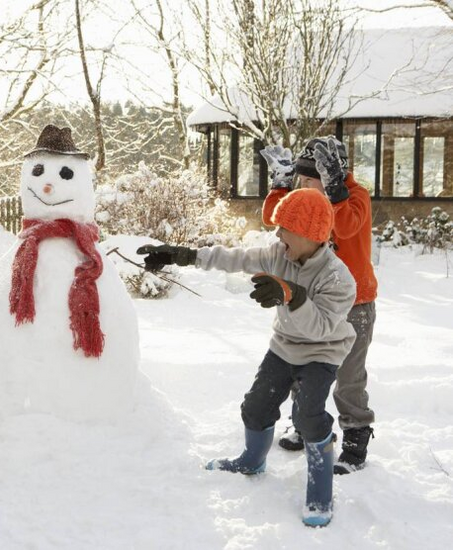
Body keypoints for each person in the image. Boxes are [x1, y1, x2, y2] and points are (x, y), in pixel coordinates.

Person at [138, 188, 356, 527]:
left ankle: (320, 490)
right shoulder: (277, 255)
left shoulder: (338, 278)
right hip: (284, 347)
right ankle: (252, 460)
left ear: (310, 235)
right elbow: (235, 257)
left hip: (322, 353)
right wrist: (183, 255)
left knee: (309, 416)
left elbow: (322, 327)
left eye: (285, 228)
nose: (278, 234)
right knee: (256, 406)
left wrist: (291, 294)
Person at [261, 137, 378, 474]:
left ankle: (356, 434)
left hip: (355, 304)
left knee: (349, 375)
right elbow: (274, 219)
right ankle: (303, 421)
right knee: (303, 363)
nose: (307, 186)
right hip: (310, 302)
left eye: (313, 179)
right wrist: (281, 186)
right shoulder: (306, 200)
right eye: (301, 179)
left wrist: (337, 190)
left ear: (335, 174)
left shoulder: (355, 197)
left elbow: (345, 225)